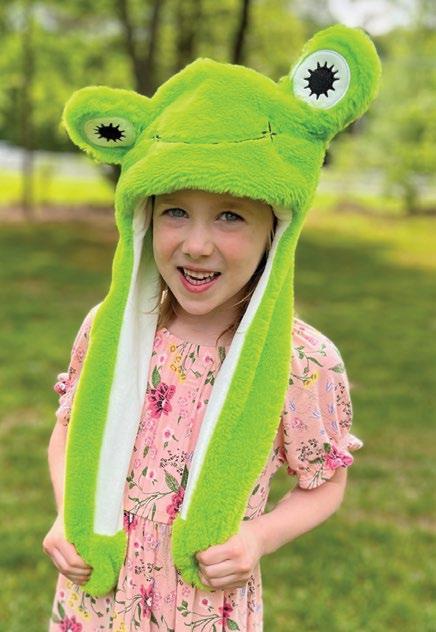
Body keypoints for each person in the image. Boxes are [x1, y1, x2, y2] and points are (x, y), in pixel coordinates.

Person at [43, 24, 380, 631]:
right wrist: (67, 514)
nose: (197, 245)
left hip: (202, 611)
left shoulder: (302, 361)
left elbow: (324, 482)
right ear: (144, 217)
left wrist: (258, 538)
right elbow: (69, 431)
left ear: (275, 228)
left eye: (230, 215)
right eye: (176, 211)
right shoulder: (111, 331)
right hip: (92, 604)